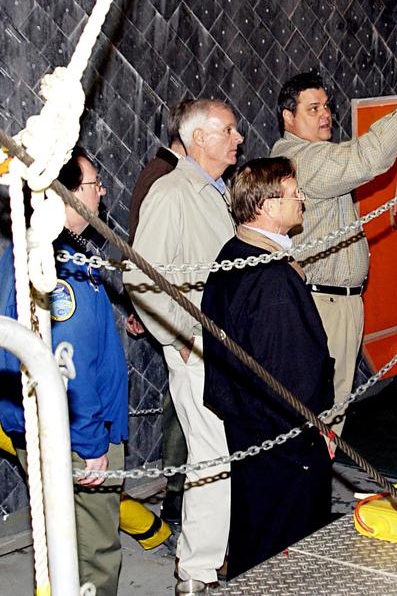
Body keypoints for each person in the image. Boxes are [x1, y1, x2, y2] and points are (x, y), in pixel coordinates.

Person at [0, 147, 129, 596]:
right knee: (94, 555)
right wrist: (91, 442)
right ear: (67, 196)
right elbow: (70, 365)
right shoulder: (58, 267)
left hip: (50, 428)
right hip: (75, 435)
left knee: (59, 546)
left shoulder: (34, 248)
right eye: (94, 184)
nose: (101, 191)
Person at [270, 44, 397, 434]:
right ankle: (309, 487)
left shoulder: (318, 155)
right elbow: (366, 158)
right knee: (320, 415)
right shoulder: (299, 160)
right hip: (323, 303)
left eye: (326, 107)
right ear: (288, 118)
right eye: (313, 109)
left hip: (339, 302)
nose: (326, 115)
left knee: (331, 411)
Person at [127, 98, 243, 594]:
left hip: (223, 349)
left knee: (223, 457)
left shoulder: (216, 191)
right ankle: (195, 572)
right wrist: (177, 339)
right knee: (210, 458)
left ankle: (213, 559)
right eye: (229, 131)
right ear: (199, 139)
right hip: (197, 351)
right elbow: (140, 276)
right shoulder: (173, 191)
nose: (238, 139)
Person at [202, 157, 334, 578]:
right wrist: (315, 428)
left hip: (247, 424)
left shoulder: (234, 251)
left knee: (254, 527)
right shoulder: (272, 279)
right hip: (282, 438)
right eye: (294, 194)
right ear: (269, 206)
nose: (302, 201)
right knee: (285, 544)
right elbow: (293, 374)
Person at [126, 98, 195, 532]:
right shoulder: (167, 178)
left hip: (167, 309)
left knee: (179, 403)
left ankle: (179, 488)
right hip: (173, 313)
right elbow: (145, 251)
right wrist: (143, 308)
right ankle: (178, 492)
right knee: (179, 406)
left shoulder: (161, 171)